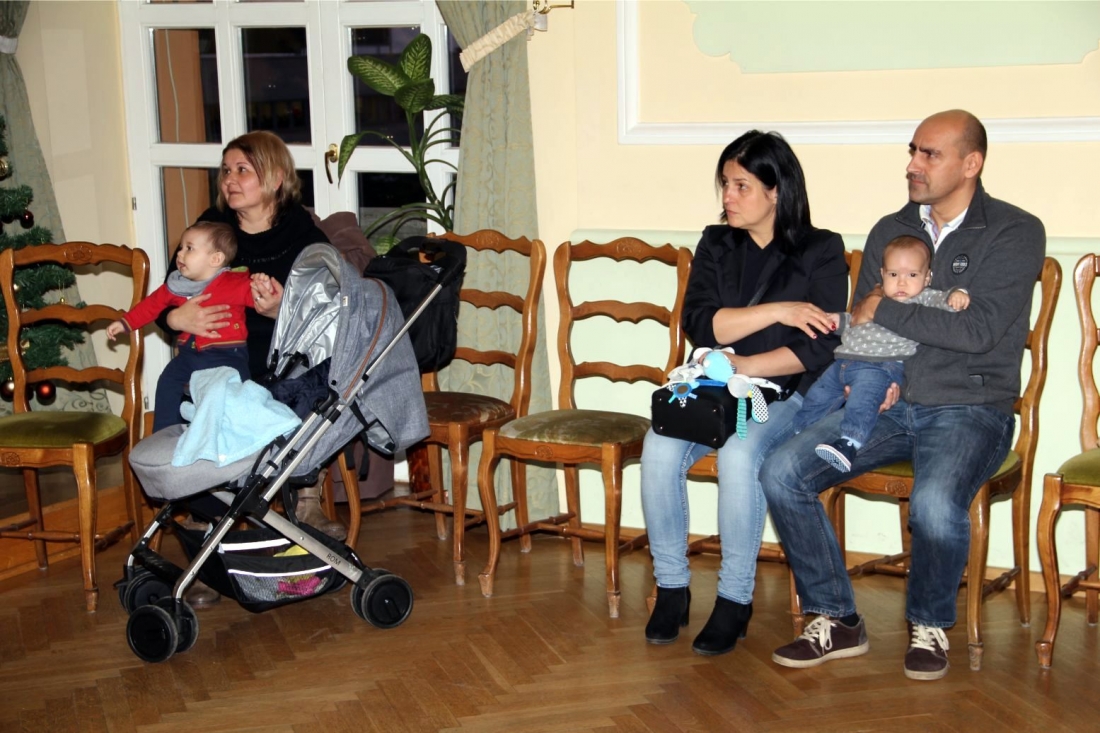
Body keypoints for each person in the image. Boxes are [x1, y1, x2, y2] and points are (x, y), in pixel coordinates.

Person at [760, 110, 1045, 681]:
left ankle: (929, 624)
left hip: (970, 406)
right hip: (885, 398)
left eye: (929, 154)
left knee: (935, 505)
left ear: (971, 163)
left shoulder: (1015, 231)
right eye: (912, 151)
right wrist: (869, 361)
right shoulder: (890, 230)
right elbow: (861, 331)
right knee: (781, 471)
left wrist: (883, 307)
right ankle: (837, 618)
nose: (913, 164)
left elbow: (977, 332)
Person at [640, 130, 848, 656]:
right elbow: (701, 323)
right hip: (716, 388)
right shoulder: (717, 243)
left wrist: (750, 363)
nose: (727, 197)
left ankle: (735, 598)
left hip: (785, 393)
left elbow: (820, 347)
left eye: (741, 186)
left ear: (776, 191)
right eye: (725, 184)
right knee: (657, 447)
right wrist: (780, 311)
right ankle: (672, 587)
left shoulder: (821, 249)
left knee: (739, 456)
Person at [156, 131, 342, 606]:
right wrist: (177, 318)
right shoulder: (211, 229)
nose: (230, 180)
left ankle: (304, 492)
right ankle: (206, 529)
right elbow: (166, 295)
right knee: (202, 393)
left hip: (277, 357)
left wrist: (282, 310)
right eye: (226, 170)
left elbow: (327, 314)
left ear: (276, 178)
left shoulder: (302, 235)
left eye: (243, 170)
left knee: (301, 387)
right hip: (214, 358)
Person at [793, 234, 971, 472]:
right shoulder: (876, 298)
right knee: (817, 395)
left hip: (880, 367)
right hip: (843, 363)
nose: (901, 283)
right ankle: (800, 432)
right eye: (894, 274)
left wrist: (957, 293)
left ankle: (849, 443)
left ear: (927, 277)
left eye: (912, 275)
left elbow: (943, 300)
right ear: (882, 274)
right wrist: (835, 321)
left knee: (862, 403)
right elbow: (854, 321)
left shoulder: (923, 298)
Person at [109, 221, 256, 434]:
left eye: (189, 248)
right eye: (181, 247)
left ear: (215, 259)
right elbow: (150, 306)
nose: (179, 254)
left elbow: (260, 299)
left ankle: (243, 434)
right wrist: (126, 322)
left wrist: (265, 288)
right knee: (168, 381)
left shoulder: (235, 283)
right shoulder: (176, 286)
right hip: (188, 356)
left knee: (232, 395)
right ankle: (164, 435)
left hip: (227, 357)